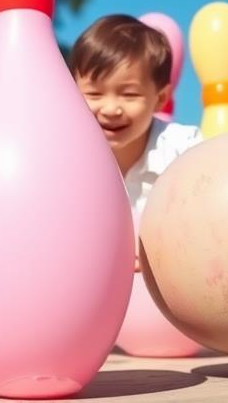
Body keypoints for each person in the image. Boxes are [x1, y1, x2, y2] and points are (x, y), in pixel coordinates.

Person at [70, 14, 202, 271]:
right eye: (94, 94)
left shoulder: (184, 148)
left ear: (160, 98)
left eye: (129, 94)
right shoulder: (66, 157)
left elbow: (213, 214)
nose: (111, 109)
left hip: (172, 288)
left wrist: (164, 245)